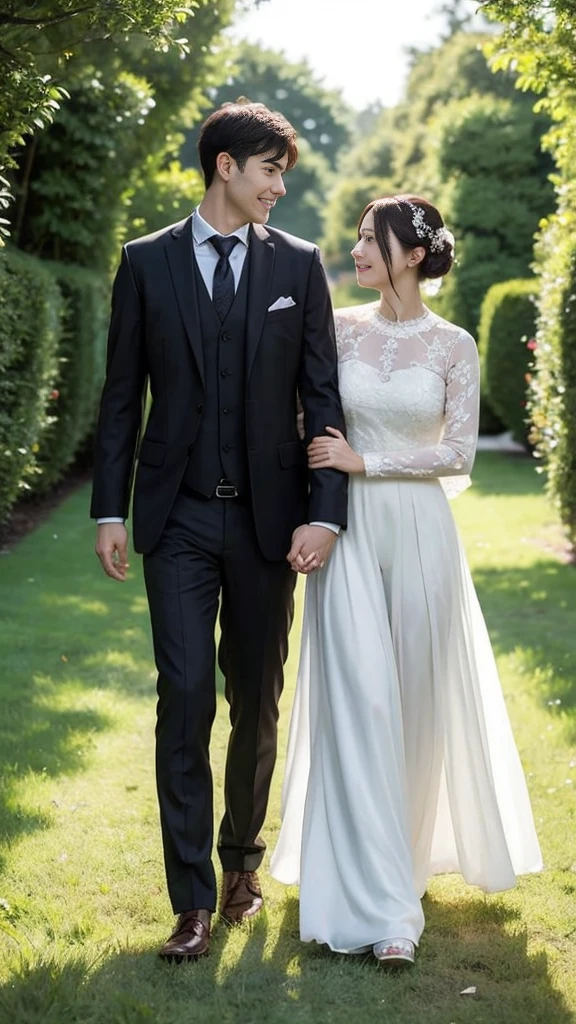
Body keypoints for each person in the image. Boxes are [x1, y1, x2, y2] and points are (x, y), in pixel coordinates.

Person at [90, 101, 348, 962]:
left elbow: (323, 399)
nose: (279, 187)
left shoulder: (301, 267)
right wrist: (108, 507)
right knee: (186, 697)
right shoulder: (146, 262)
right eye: (270, 169)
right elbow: (122, 394)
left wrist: (324, 511)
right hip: (180, 517)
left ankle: (243, 862)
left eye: (283, 172)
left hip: (272, 523)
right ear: (225, 167)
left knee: (256, 701)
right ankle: (192, 901)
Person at [270, 195, 542, 966]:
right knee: (356, 702)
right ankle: (376, 902)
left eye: (369, 240)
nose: (355, 251)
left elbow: (459, 454)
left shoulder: (454, 344)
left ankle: (402, 878)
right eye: (356, 237)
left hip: (421, 534)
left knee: (415, 705)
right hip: (346, 534)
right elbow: (303, 424)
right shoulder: (336, 331)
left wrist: (370, 461)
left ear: (412, 255)